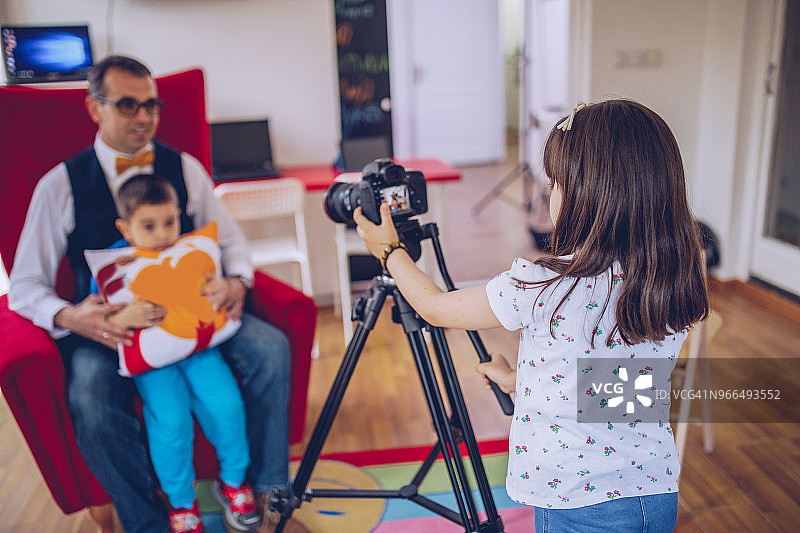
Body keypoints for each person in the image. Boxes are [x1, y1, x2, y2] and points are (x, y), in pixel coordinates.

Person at [354, 99, 709, 532]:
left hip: (575, 504)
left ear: (586, 194)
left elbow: (434, 308)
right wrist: (526, 382)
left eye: (555, 183)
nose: (549, 192)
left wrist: (389, 252)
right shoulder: (667, 278)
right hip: (653, 492)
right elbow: (620, 391)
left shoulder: (541, 285)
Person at [8, 55, 307, 533]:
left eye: (151, 105)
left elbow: (231, 242)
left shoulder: (183, 168)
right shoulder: (59, 185)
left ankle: (267, 491)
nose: (144, 117)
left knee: (270, 348)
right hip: (111, 329)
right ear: (94, 109)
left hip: (196, 316)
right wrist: (69, 317)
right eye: (127, 105)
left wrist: (237, 282)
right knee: (88, 392)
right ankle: (151, 520)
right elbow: (24, 284)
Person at [90, 174, 258, 532]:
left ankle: (233, 481)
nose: (162, 233)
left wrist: (217, 284)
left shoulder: (192, 252)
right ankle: (182, 501)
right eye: (148, 226)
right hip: (154, 365)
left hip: (200, 349)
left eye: (170, 221)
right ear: (127, 228)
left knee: (227, 405)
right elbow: (99, 309)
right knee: (170, 422)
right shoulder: (116, 264)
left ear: (180, 215)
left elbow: (214, 279)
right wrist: (122, 314)